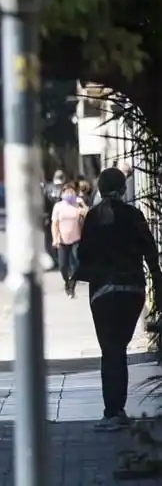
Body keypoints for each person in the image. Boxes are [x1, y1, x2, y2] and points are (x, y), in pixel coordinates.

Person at [75, 167, 161, 431]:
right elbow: (150, 251)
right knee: (119, 347)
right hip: (133, 290)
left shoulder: (94, 217)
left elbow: (84, 254)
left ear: (100, 189)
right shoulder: (134, 215)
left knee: (111, 350)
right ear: (124, 189)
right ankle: (117, 410)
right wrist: (157, 284)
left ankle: (113, 411)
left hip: (103, 291)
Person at [51, 183, 85, 297]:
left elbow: (88, 213)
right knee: (62, 266)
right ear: (62, 193)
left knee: (77, 264)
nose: (69, 194)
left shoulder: (77, 204)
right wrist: (55, 238)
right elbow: (55, 224)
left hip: (76, 239)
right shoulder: (58, 206)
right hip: (62, 240)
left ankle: (72, 285)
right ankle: (67, 282)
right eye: (67, 192)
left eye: (72, 192)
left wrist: (82, 205)